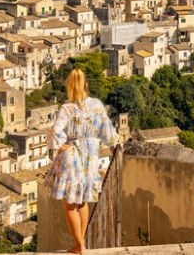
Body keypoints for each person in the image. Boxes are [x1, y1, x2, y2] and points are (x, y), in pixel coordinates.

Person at [49, 69, 118, 254]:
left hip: (72, 157)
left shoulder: (67, 108)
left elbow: (56, 133)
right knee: (83, 202)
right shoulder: (96, 105)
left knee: (70, 204)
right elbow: (108, 130)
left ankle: (79, 245)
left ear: (69, 86)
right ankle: (82, 244)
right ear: (86, 84)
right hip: (91, 156)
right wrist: (113, 147)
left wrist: (61, 146)